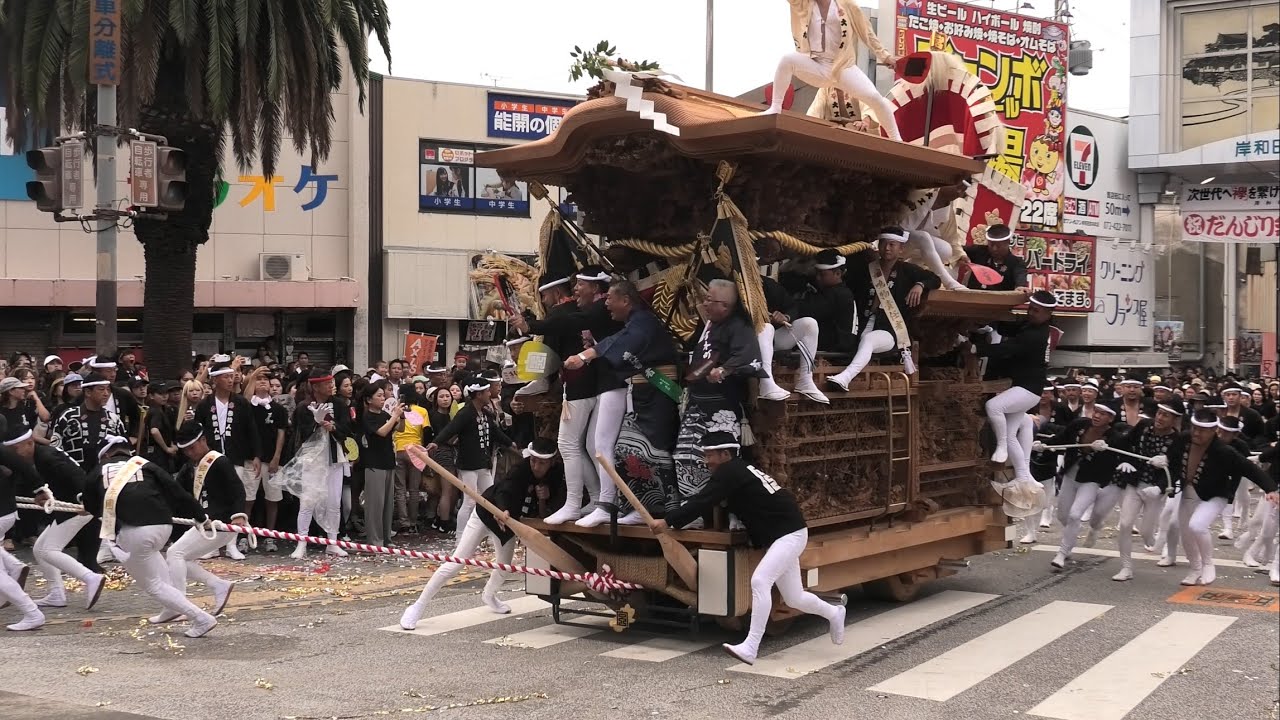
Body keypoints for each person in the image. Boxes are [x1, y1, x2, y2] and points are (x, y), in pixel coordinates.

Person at [652, 431, 845, 665]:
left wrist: (668, 521)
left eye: (709, 455)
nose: (706, 461)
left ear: (725, 454)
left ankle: (751, 647)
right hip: (784, 534)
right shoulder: (739, 470)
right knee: (794, 598)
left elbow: (703, 500)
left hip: (789, 534)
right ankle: (834, 613)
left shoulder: (730, 471)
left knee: (760, 581)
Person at [399, 439, 565, 630]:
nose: (536, 465)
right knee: (455, 563)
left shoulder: (556, 473)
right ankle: (417, 606)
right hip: (486, 514)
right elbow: (504, 490)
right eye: (534, 460)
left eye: (542, 462)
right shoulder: (521, 469)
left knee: (504, 567)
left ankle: (489, 595)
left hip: (510, 525)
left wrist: (545, 497)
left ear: (551, 462)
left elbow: (548, 504)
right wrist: (502, 510)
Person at [563, 280, 678, 527]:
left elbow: (623, 341)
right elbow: (616, 340)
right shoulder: (635, 323)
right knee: (628, 448)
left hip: (659, 392)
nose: (606, 304)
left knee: (657, 449)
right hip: (643, 392)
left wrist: (586, 356)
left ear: (625, 300)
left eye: (610, 299)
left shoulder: (643, 323)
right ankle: (638, 506)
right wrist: (589, 353)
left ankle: (670, 510)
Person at [80, 436, 220, 638]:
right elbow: (176, 491)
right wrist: (200, 516)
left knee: (153, 584)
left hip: (135, 530)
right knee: (154, 561)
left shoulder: (98, 471)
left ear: (106, 455)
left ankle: (200, 618)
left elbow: (90, 507)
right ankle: (171, 608)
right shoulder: (145, 464)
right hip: (163, 525)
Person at [510, 271, 602, 524]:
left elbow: (545, 368)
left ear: (555, 292)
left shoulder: (560, 314)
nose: (543, 300)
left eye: (544, 294)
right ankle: (597, 498)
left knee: (569, 445)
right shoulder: (590, 310)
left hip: (576, 385)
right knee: (589, 446)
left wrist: (521, 392)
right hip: (599, 384)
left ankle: (575, 503)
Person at [1152, 410, 1277, 586]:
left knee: (1197, 525)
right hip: (1188, 492)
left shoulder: (1224, 451)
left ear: (1213, 431)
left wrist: (1270, 489)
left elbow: (1249, 468)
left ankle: (1208, 564)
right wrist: (1162, 459)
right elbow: (1172, 458)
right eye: (1195, 428)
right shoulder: (1184, 438)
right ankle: (1195, 569)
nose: (1197, 433)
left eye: (1202, 430)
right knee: (1186, 534)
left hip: (1215, 495)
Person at [675, 279, 766, 511]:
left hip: (722, 407)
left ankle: (735, 514)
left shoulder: (738, 326)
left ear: (725, 306)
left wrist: (725, 370)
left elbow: (749, 357)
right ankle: (692, 511)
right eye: (706, 298)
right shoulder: (709, 325)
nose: (704, 304)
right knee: (686, 456)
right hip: (696, 403)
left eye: (709, 300)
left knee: (726, 464)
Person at [761, 0, 901, 141]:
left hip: (843, 67)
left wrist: (885, 56)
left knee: (876, 99)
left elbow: (867, 33)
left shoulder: (847, 5)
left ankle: (897, 139)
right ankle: (775, 107)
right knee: (787, 60)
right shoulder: (803, 4)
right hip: (815, 64)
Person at [152, 421, 245, 624]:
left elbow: (237, 489)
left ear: (204, 440)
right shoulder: (189, 466)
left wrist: (238, 515)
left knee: (175, 553)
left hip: (220, 524)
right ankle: (218, 585)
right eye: (185, 450)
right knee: (180, 558)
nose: (190, 453)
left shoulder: (219, 461)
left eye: (192, 448)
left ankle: (178, 606)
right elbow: (176, 492)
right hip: (204, 523)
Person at [6, 427, 107, 610]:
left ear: (30, 443)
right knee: (39, 549)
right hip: (66, 506)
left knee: (49, 550)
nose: (13, 455)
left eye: (15, 450)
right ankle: (56, 594)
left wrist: (83, 499)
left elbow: (75, 476)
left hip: (77, 506)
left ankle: (91, 577)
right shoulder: (38, 456)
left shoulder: (47, 457)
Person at [828, 229, 940, 390]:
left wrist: (920, 285)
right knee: (851, 342)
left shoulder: (907, 270)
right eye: (883, 243)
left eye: (892, 245)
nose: (887, 248)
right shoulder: (866, 269)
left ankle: (845, 378)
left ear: (901, 249)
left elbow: (934, 279)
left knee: (869, 340)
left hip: (890, 329)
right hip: (863, 322)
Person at [47, 372, 129, 571]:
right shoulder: (68, 417)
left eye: (108, 389)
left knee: (97, 522)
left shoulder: (113, 420)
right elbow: (55, 449)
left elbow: (123, 452)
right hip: (72, 482)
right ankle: (74, 562)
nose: (106, 393)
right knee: (74, 524)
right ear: (87, 391)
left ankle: (91, 562)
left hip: (102, 481)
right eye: (101, 389)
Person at [977, 290, 1056, 488]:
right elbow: (1010, 328)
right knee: (1011, 433)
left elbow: (1006, 349)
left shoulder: (1036, 335)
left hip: (1028, 389)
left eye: (1036, 311)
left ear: (1048, 314)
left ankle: (1001, 447)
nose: (1030, 313)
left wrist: (976, 347)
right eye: (1030, 308)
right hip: (1025, 387)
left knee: (993, 406)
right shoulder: (1032, 326)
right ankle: (1024, 476)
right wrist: (990, 321)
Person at [1035, 404, 1125, 569]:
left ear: (1111, 418)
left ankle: (1063, 553)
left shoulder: (1114, 438)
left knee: (1075, 515)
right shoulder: (1079, 425)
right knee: (1063, 516)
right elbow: (1062, 438)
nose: (1097, 416)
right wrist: (1043, 445)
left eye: (1102, 414)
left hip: (1091, 481)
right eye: (1096, 412)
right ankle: (1070, 539)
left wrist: (1106, 450)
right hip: (1070, 476)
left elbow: (1122, 455)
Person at [426, 377, 517, 535]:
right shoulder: (465, 413)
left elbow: (496, 433)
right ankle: (461, 537)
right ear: (479, 394)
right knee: (469, 501)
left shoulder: (485, 413)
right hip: (468, 465)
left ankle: (489, 533)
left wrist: (511, 444)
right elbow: (450, 429)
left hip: (483, 463)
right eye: (487, 391)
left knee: (490, 500)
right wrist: (436, 442)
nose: (490, 393)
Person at [194, 356, 262, 561]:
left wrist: (256, 455)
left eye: (232, 377)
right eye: (225, 377)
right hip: (210, 458)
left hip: (236, 456)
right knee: (213, 499)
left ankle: (231, 544)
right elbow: (198, 432)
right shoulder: (205, 405)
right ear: (215, 381)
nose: (231, 381)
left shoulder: (240, 403)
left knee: (235, 498)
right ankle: (212, 544)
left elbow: (252, 429)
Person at [1108, 399, 1184, 581]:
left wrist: (1159, 488)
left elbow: (1176, 470)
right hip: (1135, 483)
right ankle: (1126, 567)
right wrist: (1109, 446)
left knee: (1146, 532)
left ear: (1175, 420)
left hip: (1155, 490)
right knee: (1125, 525)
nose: (1160, 418)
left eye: (1166, 415)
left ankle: (1154, 538)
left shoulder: (1178, 440)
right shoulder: (1144, 426)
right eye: (1159, 413)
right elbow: (1125, 442)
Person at [287, 367, 354, 560]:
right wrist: (316, 423)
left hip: (335, 458)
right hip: (312, 460)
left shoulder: (340, 405)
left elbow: (348, 430)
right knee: (307, 501)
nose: (331, 386)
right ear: (315, 386)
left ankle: (332, 542)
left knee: (334, 502)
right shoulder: (303, 407)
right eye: (327, 383)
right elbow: (301, 435)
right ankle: (302, 542)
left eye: (332, 382)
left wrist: (333, 427)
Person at [756, 242, 827, 403]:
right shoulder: (732, 287)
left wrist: (785, 317)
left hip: (769, 341)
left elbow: (791, 306)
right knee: (765, 327)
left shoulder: (767, 285)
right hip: (744, 340)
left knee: (809, 323)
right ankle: (765, 382)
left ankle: (806, 380)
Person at [0, 430, 50, 630]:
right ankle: (13, 566)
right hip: (6, 512)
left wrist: (39, 489)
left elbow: (21, 464)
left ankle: (31, 612)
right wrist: (38, 488)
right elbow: (20, 464)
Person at [243, 368, 287, 552]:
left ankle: (270, 536)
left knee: (272, 499)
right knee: (248, 499)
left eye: (266, 380)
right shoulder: (246, 406)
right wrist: (252, 377)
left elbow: (281, 433)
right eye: (259, 380)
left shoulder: (278, 409)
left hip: (272, 459)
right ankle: (244, 535)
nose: (262, 382)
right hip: (251, 459)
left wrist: (276, 457)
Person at [359, 382, 401, 549]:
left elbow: (399, 428)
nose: (382, 398)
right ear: (369, 399)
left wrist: (400, 417)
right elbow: (382, 432)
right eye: (379, 396)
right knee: (375, 505)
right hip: (373, 463)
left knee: (388, 505)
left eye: (383, 395)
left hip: (388, 461)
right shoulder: (367, 416)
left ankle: (386, 539)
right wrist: (394, 416)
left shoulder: (385, 414)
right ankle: (375, 542)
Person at [392, 383, 432, 534]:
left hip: (398, 449)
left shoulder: (396, 410)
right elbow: (427, 432)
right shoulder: (422, 411)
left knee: (400, 489)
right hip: (416, 451)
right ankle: (414, 522)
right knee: (414, 489)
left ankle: (403, 522)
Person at [960, 224, 1029, 292]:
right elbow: (956, 249)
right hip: (974, 299)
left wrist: (1020, 287)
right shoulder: (979, 252)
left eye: (998, 246)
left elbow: (1020, 279)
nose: (994, 249)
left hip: (1000, 302)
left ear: (1008, 242)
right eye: (991, 244)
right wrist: (961, 256)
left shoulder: (1017, 263)